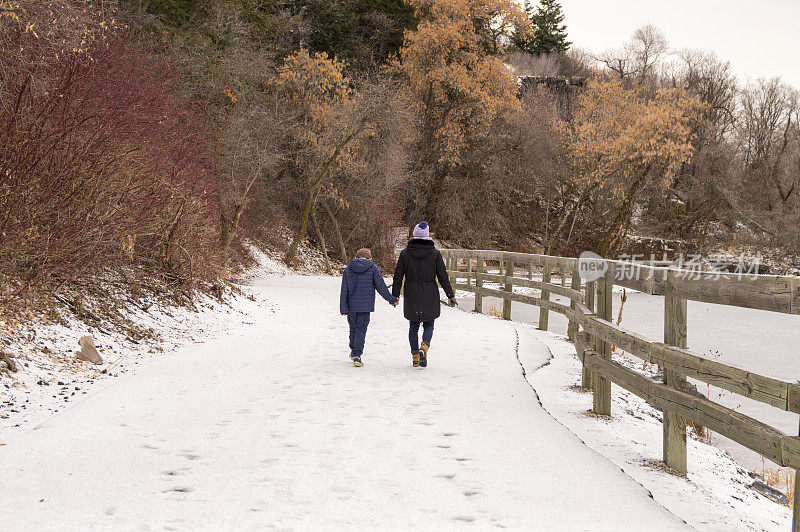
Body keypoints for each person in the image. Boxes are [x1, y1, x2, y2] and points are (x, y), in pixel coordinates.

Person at [392, 222, 456, 368]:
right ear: (427, 235)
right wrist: (450, 294)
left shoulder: (405, 253)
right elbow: (442, 276)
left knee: (413, 326)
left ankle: (415, 356)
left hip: (411, 292)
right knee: (429, 324)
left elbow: (398, 275)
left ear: (414, 234)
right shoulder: (435, 254)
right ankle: (424, 347)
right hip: (429, 292)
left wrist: (395, 295)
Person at [340, 248, 398, 367]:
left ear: (355, 257)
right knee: (361, 329)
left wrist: (343, 308)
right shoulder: (372, 268)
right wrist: (392, 299)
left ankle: (353, 350)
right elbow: (381, 287)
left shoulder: (348, 269)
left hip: (351, 305)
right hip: (365, 306)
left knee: (353, 328)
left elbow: (344, 290)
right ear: (370, 259)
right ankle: (357, 355)